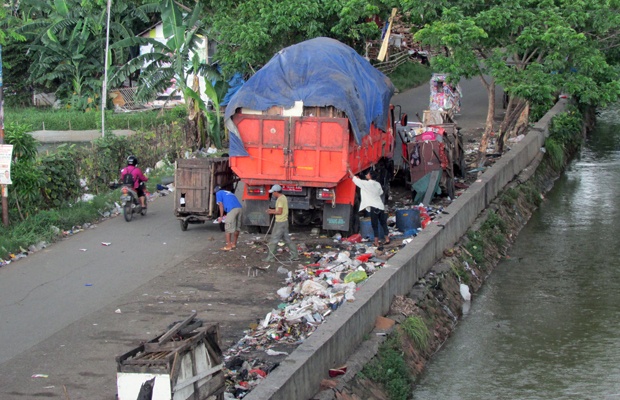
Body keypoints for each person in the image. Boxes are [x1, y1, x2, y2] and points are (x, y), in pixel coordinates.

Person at [349, 168, 390, 246]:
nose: (366, 175)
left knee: (374, 225)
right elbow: (381, 192)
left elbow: (354, 179)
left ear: (370, 176)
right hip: (380, 206)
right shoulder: (377, 184)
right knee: (383, 223)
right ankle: (387, 239)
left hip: (374, 207)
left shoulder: (366, 184)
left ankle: (376, 242)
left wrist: (349, 169)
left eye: (367, 174)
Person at [264, 184, 299, 262]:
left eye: (273, 192)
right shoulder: (283, 197)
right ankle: (295, 256)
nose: (272, 194)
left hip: (280, 222)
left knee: (274, 239)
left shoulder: (280, 199)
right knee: (287, 239)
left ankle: (271, 257)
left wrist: (271, 211)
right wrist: (273, 211)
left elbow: (279, 212)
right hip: (283, 221)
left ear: (276, 192)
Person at [214, 185, 243, 251]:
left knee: (228, 227)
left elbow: (221, 205)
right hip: (239, 208)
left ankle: (228, 245)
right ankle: (234, 243)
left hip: (232, 209)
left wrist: (221, 217)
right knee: (237, 227)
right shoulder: (229, 193)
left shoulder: (219, 193)